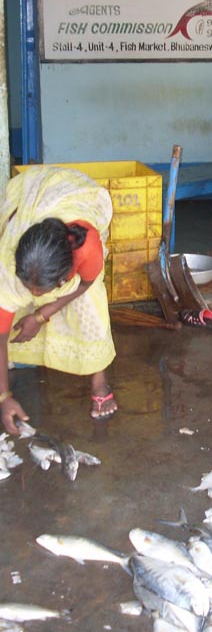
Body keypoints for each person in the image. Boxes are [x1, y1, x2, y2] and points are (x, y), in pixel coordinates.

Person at [0, 166, 117, 434]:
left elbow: (85, 284)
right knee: (8, 299)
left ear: (66, 273)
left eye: (41, 290)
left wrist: (41, 315)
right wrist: (4, 397)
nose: (34, 296)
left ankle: (100, 382)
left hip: (75, 190)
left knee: (90, 305)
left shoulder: (87, 248)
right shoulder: (8, 263)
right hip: (32, 190)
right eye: (29, 288)